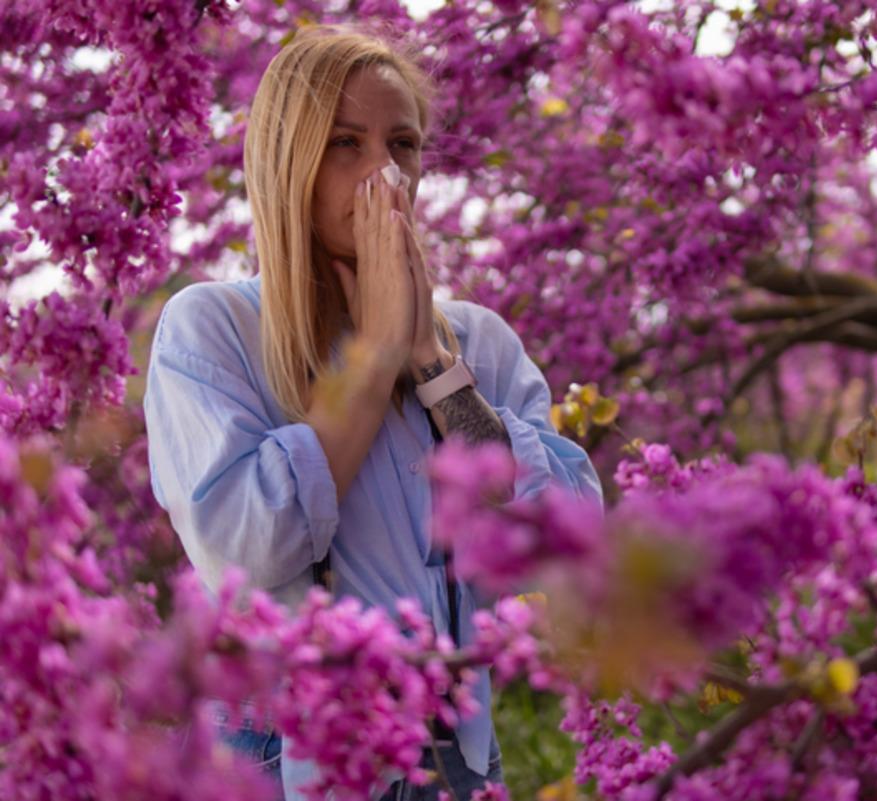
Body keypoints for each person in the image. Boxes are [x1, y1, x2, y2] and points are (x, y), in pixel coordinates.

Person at [143, 23, 602, 801]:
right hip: (276, 751)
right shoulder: (213, 329)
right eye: (346, 144)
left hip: (456, 749)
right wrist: (374, 354)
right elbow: (245, 553)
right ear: (290, 161)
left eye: (404, 145)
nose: (384, 173)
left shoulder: (479, 342)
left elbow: (566, 539)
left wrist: (426, 357)